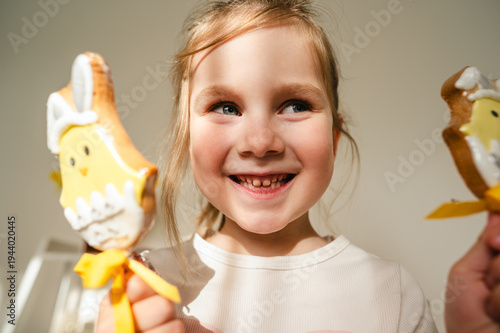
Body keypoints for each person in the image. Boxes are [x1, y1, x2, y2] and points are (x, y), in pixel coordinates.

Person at [95, 0, 499, 332]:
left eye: (295, 105)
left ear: (335, 138)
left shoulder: (391, 293)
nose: (259, 142)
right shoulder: (144, 287)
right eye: (225, 107)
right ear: (187, 139)